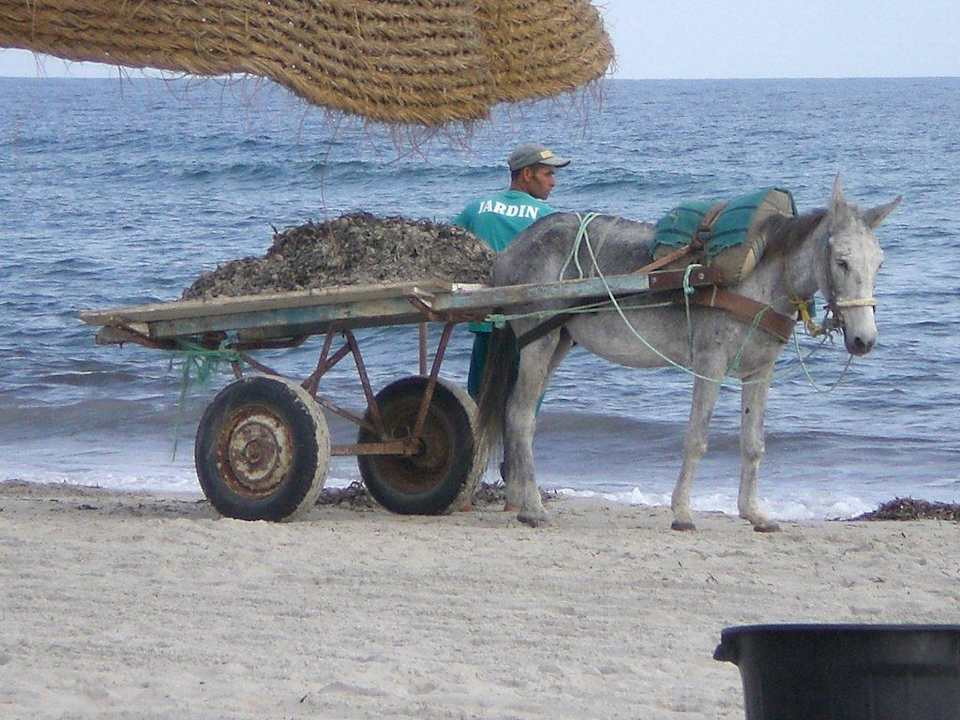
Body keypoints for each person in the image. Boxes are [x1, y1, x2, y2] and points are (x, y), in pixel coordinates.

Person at [452, 143, 570, 398]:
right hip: (528, 324)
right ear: (527, 174)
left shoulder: (476, 208)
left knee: (480, 399)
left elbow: (449, 246)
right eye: (548, 174)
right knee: (523, 402)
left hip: (485, 317)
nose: (553, 182)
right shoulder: (548, 218)